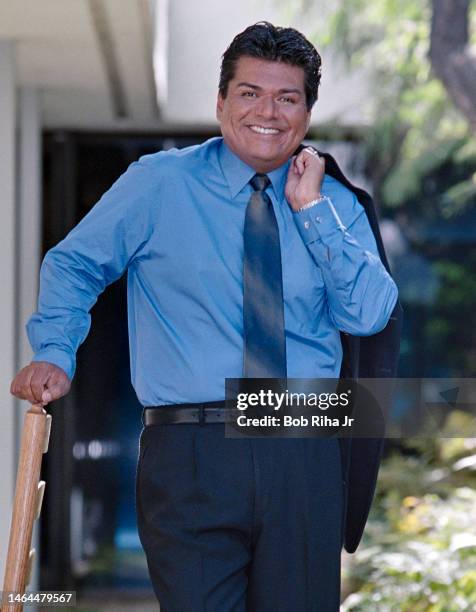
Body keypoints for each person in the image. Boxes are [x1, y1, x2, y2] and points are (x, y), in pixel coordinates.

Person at [11, 22, 400, 611]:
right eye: (249, 92)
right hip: (190, 450)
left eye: (287, 97)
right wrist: (55, 349)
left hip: (303, 446)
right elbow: (75, 265)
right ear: (221, 102)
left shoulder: (335, 203)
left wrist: (311, 210)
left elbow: (370, 314)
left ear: (306, 112)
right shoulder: (157, 184)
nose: (267, 111)